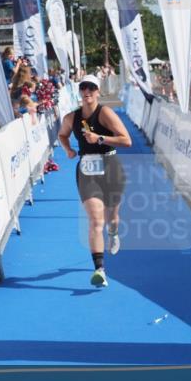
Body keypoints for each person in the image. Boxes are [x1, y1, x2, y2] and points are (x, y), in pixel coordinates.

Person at [57, 75, 132, 287]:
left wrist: (99, 138)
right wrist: (68, 149)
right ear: (80, 91)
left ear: (98, 91)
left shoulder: (105, 113)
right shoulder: (71, 118)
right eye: (83, 87)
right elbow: (62, 135)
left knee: (112, 217)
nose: (87, 91)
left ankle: (114, 232)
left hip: (111, 167)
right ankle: (100, 269)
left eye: (91, 87)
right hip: (87, 170)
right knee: (96, 220)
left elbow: (126, 140)